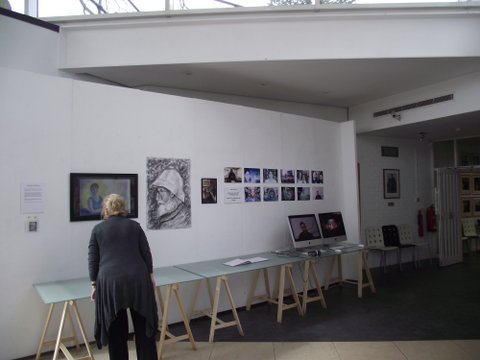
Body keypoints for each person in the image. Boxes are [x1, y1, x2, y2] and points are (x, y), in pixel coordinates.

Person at [88, 194, 158, 360]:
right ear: (123, 208)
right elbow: (146, 252)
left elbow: (93, 259)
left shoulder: (98, 230)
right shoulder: (134, 226)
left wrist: (93, 284)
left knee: (116, 329)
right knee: (143, 326)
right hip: (138, 279)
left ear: (106, 209)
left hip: (111, 283)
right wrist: (151, 275)